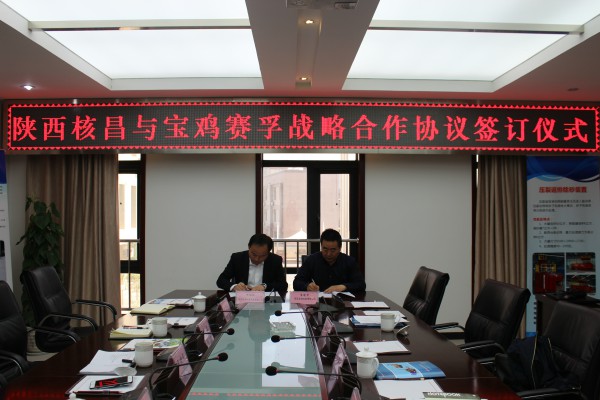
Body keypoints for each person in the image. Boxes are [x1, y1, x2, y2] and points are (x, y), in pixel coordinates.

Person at [293, 228, 365, 293]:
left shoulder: (349, 261)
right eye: (325, 249)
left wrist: (344, 287)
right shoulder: (312, 260)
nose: (328, 254)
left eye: (333, 250)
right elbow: (296, 282)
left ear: (340, 248)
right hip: (318, 301)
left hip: (343, 301)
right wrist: (307, 286)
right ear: (321, 246)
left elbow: (361, 284)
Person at [216, 233, 287, 293]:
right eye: (254, 254)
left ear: (268, 252)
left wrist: (264, 286)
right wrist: (234, 286)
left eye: (262, 256)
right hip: (242, 299)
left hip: (265, 300)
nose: (257, 259)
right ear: (249, 247)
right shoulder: (237, 258)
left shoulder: (275, 260)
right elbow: (221, 280)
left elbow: (283, 285)